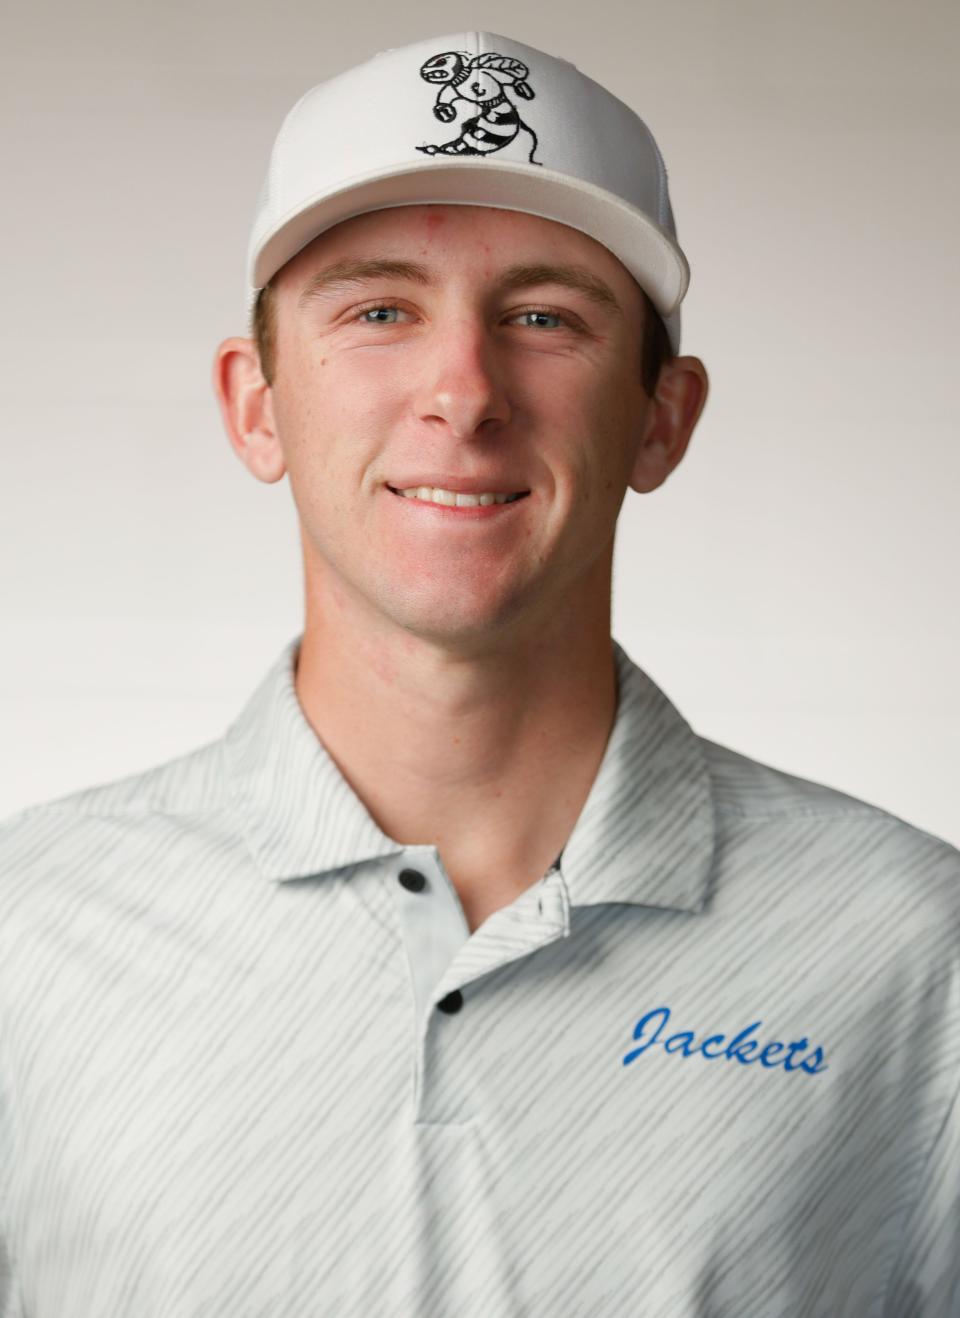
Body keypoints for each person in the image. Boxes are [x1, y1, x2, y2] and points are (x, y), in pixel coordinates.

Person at [1, 29, 957, 1318]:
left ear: (662, 417)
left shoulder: (912, 949)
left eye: (545, 317)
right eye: (380, 310)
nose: (463, 390)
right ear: (256, 406)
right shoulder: (27, 936)